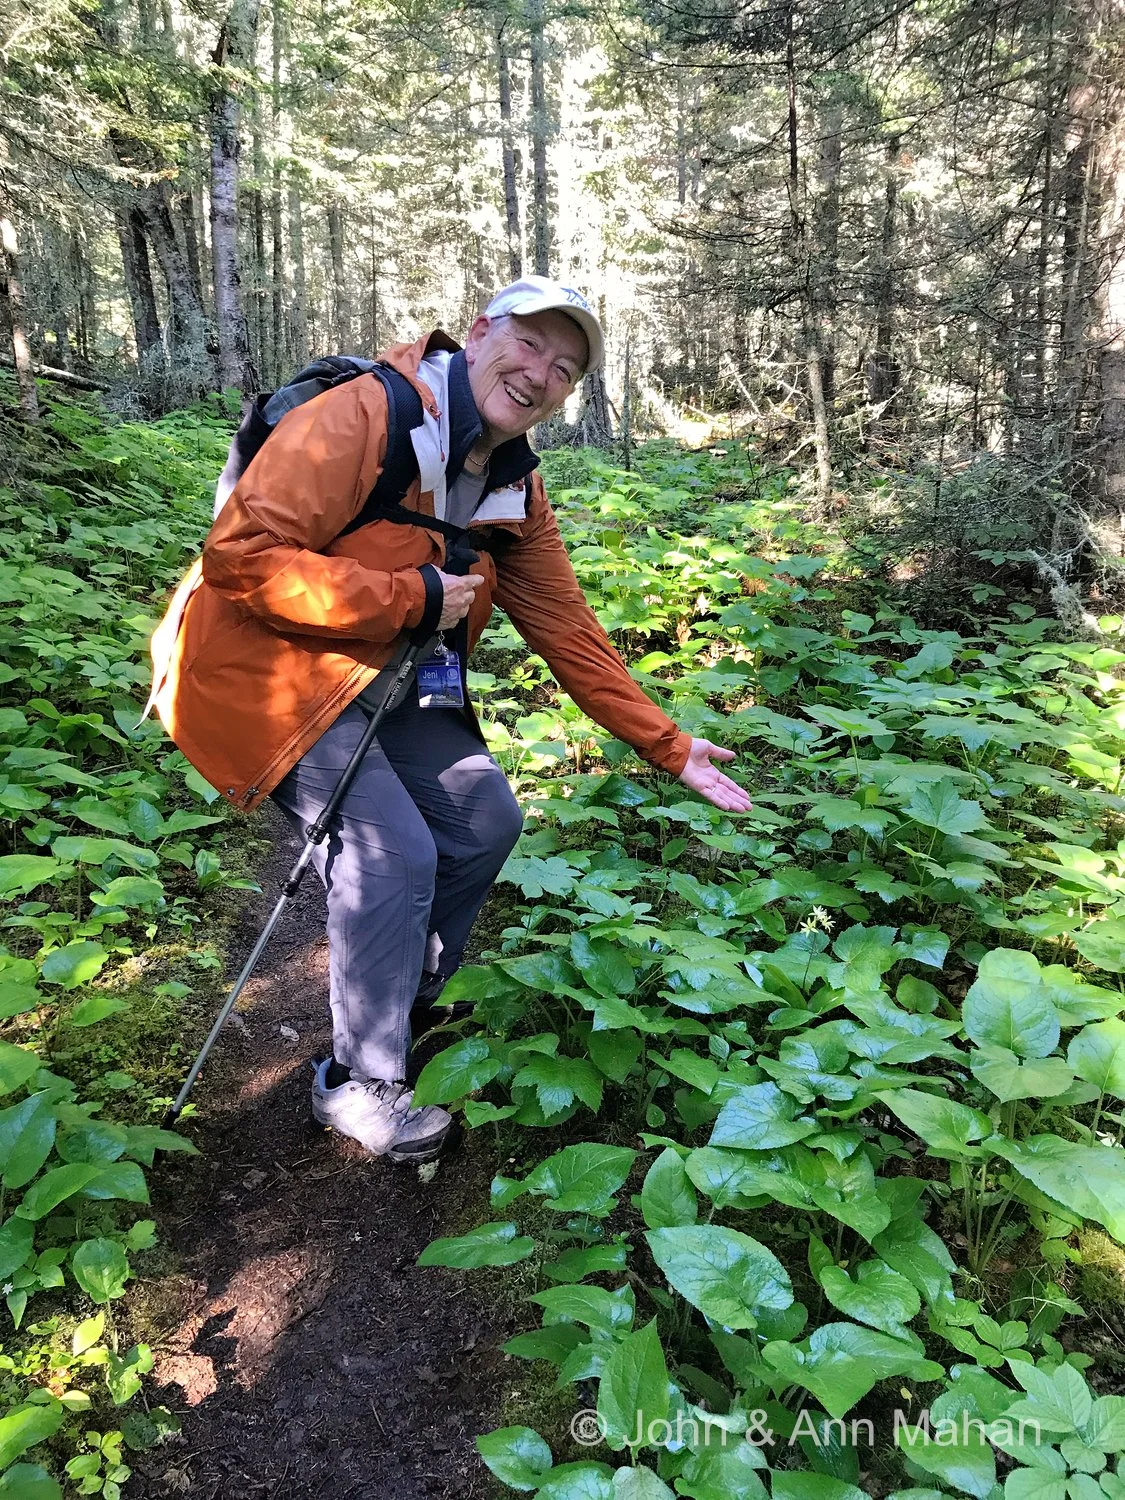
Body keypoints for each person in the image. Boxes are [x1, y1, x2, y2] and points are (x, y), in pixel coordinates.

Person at [150, 275, 750, 1164]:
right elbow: (239, 556)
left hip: (382, 674)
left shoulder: (512, 487)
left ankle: (402, 999)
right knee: (391, 851)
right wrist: (409, 593)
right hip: (256, 668)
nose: (540, 373)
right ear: (478, 334)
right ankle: (357, 1081)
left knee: (484, 819)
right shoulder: (365, 415)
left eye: (565, 367)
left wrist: (667, 746)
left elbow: (568, 630)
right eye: (530, 345)